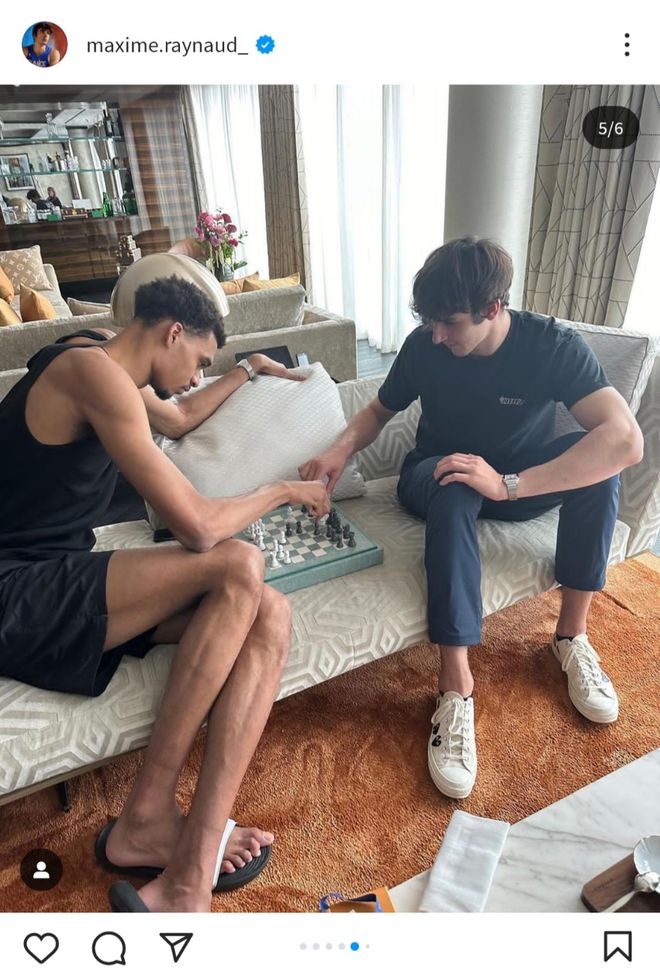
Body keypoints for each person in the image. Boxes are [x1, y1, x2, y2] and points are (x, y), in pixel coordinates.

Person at [0, 269, 330, 912]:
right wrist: (284, 489)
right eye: (201, 360)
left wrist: (248, 370)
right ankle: (149, 812)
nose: (199, 375)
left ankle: (190, 861)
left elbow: (178, 420)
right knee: (238, 563)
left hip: (52, 579)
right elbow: (199, 528)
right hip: (15, 593)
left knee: (269, 612)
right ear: (173, 333)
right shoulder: (90, 373)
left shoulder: (106, 363)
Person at [299, 236, 643, 800]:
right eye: (429, 322)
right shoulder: (425, 346)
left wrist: (510, 485)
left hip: (514, 483)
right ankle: (455, 684)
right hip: (435, 475)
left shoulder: (551, 345)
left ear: (493, 307)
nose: (437, 335)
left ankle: (571, 637)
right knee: (457, 482)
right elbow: (378, 411)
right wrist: (339, 450)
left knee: (599, 468)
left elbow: (625, 440)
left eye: (450, 323)